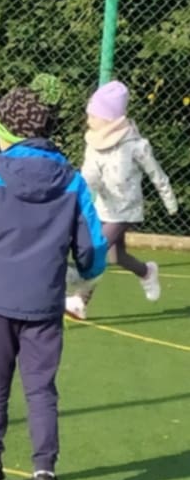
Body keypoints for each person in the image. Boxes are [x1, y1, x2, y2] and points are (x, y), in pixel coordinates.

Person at [0, 78, 107, 480]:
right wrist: (86, 273)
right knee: (41, 389)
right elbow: (93, 247)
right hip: (44, 300)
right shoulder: (72, 180)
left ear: (6, 134)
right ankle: (44, 477)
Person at [65, 80, 178, 320]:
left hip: (126, 210)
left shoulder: (137, 146)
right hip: (103, 207)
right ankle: (146, 272)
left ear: (108, 119)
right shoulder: (93, 144)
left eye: (93, 116)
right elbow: (89, 175)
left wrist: (169, 200)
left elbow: (156, 174)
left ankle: (79, 299)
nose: (88, 120)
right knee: (117, 256)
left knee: (98, 248)